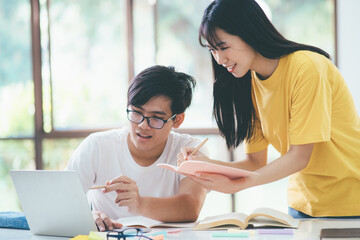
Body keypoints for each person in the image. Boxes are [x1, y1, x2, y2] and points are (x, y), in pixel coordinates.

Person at [178, 0, 360, 218]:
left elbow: (300, 157)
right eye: (213, 50)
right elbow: (255, 162)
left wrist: (239, 185)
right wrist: (206, 166)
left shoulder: (308, 68)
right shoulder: (248, 80)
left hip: (349, 202)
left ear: (249, 32)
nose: (219, 59)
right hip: (301, 205)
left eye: (223, 47)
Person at [66, 65, 208, 231]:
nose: (142, 125)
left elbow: (190, 207)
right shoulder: (96, 146)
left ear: (178, 120)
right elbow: (61, 202)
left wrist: (139, 203)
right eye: (136, 112)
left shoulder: (189, 149)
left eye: (156, 118)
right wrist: (88, 216)